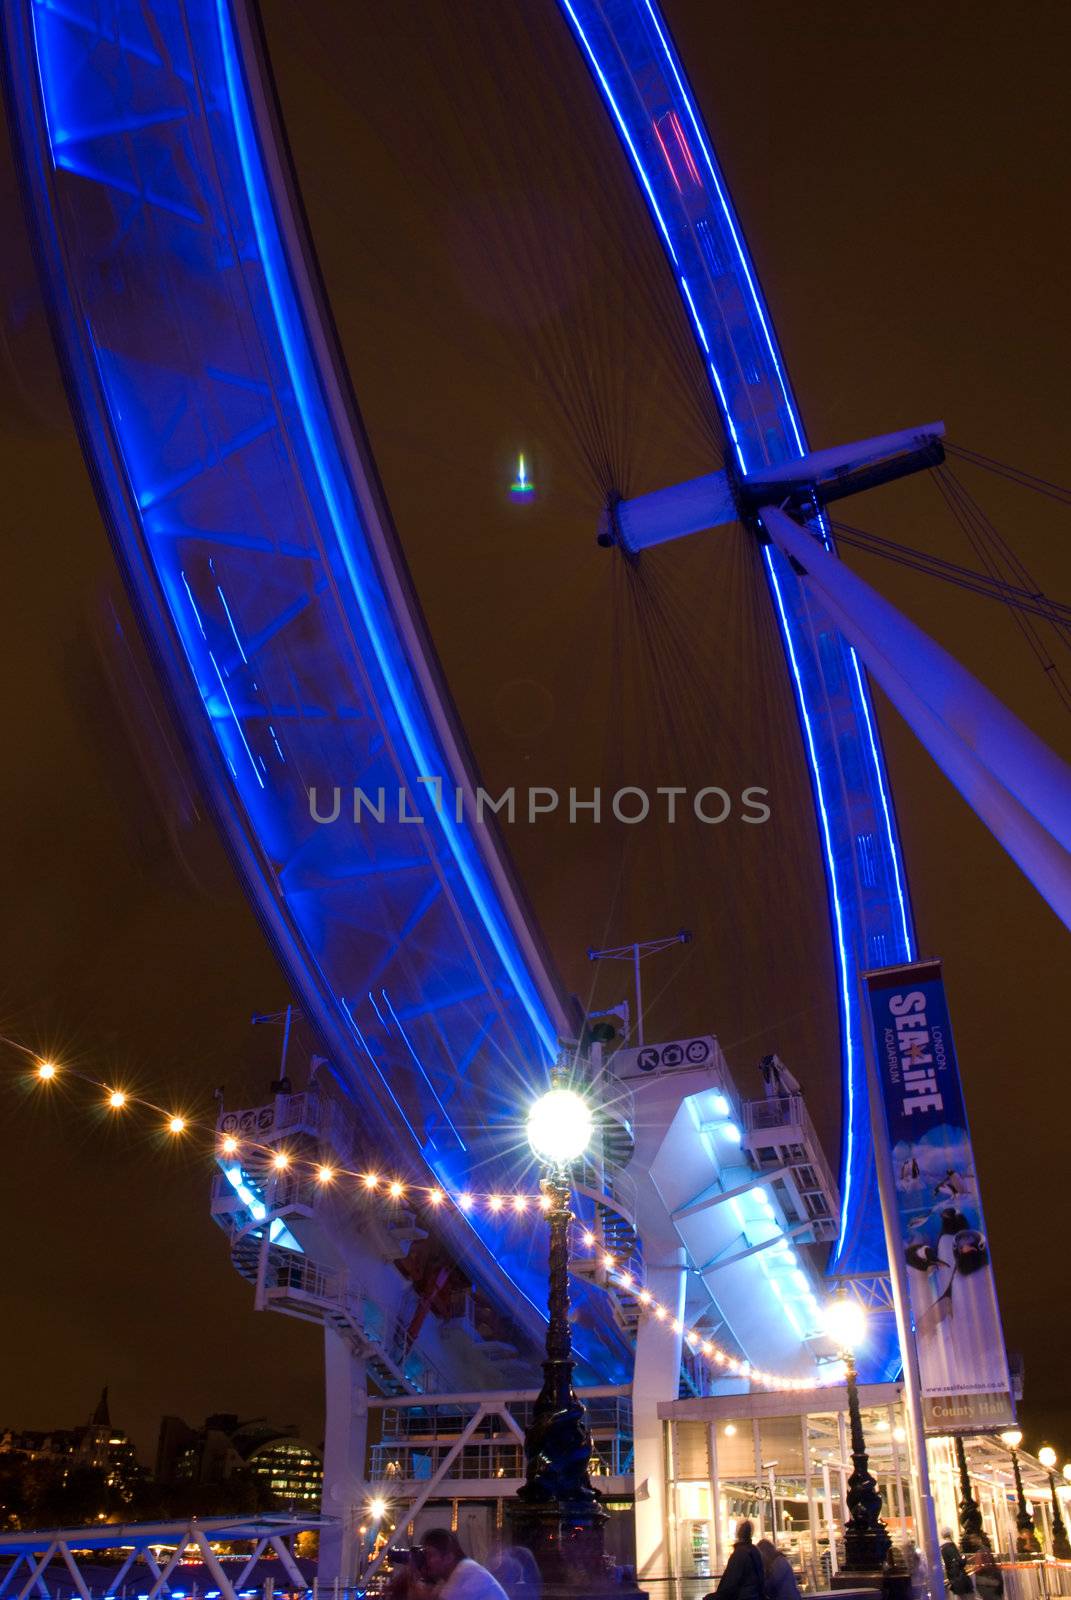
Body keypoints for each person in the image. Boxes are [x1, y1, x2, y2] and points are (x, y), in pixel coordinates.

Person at [420, 1529, 511, 1600]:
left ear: (449, 1558)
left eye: (430, 1555)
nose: (425, 1560)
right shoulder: (454, 1574)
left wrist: (411, 1578)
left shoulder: (464, 1573)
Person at [703, 1520, 765, 1600]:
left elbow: (731, 1583)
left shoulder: (739, 1554)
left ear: (738, 1534)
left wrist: (714, 1597)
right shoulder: (755, 1551)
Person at [940, 1529, 974, 1596]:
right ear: (950, 1534)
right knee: (968, 1596)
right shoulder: (950, 1546)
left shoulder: (943, 1547)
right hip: (959, 1576)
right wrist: (964, 1558)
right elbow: (959, 1561)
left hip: (953, 1577)